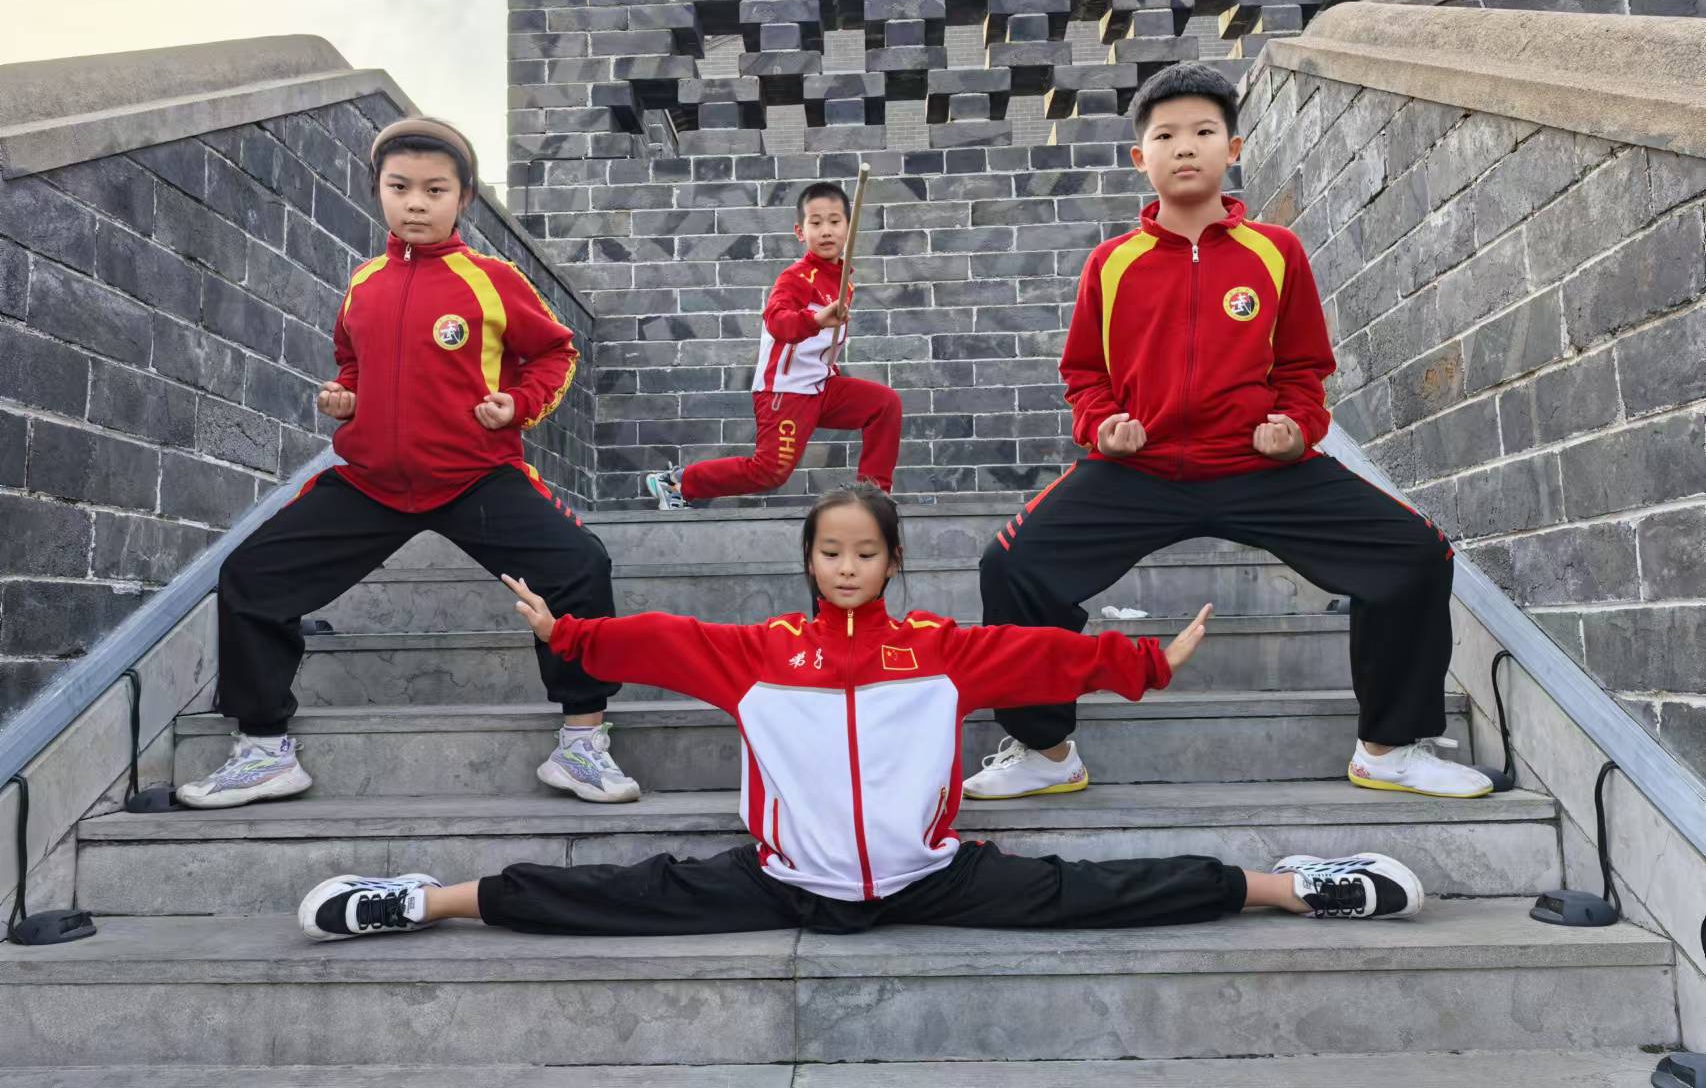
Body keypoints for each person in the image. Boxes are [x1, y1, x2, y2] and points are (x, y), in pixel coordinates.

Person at [295, 483, 1422, 941]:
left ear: (890, 559)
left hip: (932, 876)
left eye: (865, 551)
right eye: (829, 551)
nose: (846, 565)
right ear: (809, 559)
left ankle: (1294, 884)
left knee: (1099, 892)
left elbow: (1036, 653)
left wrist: (1141, 664)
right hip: (784, 881)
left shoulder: (934, 650)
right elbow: (660, 641)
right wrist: (572, 635)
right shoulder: (759, 655)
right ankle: (420, 900)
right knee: (610, 894)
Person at [963, 62, 1491, 804]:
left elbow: (1305, 368)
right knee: (1011, 565)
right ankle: (1045, 751)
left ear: (1232, 148)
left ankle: (1389, 749)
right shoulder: (1111, 265)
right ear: (1139, 157)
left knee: (1416, 554)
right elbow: (1084, 373)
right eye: (1165, 136)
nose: (1185, 147)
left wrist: (1296, 430)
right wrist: (1102, 427)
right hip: (1140, 471)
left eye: (1203, 132)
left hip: (1256, 467)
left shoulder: (1276, 253)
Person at [180, 117, 641, 809]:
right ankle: (263, 751)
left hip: (474, 477)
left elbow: (556, 352)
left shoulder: (492, 280)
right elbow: (352, 360)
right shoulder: (363, 282)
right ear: (378, 190)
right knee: (250, 575)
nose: (416, 203)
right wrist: (346, 395)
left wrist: (518, 405)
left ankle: (582, 740)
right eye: (400, 188)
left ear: (464, 198)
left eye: (435, 189)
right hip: (371, 483)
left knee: (580, 564)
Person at [643, 181, 902, 508]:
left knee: (884, 404)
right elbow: (777, 322)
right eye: (816, 222)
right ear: (800, 232)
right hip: (786, 390)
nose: (826, 230)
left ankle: (874, 499)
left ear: (848, 230)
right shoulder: (796, 278)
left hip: (821, 385)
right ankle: (676, 483)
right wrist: (816, 319)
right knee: (770, 472)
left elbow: (822, 345)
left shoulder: (843, 284)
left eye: (835, 222)